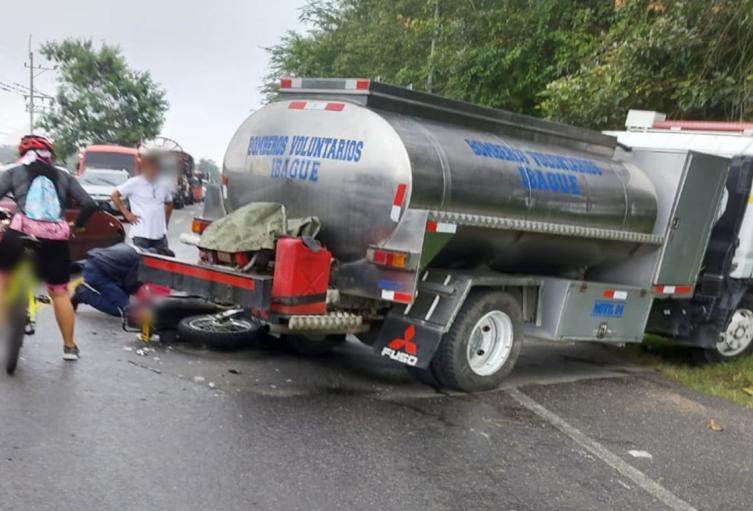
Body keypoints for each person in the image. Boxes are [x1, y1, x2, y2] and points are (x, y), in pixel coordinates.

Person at [0, 135, 97, 361]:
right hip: (55, 238)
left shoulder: (14, 172)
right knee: (59, 292)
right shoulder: (63, 176)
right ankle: (69, 347)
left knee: (3, 279)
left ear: (22, 154)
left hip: (20, 232)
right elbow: (89, 204)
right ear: (50, 156)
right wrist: (79, 225)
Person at [71, 243, 173, 317]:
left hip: (98, 266)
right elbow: (129, 285)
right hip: (98, 272)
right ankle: (84, 294)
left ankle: (85, 293)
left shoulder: (140, 251)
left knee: (122, 299)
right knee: (125, 310)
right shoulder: (144, 261)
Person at [111, 153, 173, 251]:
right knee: (142, 262)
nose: (152, 171)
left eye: (155, 169)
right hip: (141, 232)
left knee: (164, 261)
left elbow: (169, 203)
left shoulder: (163, 184)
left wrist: (166, 222)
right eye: (150, 168)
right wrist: (126, 213)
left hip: (160, 234)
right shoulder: (134, 182)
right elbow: (114, 195)